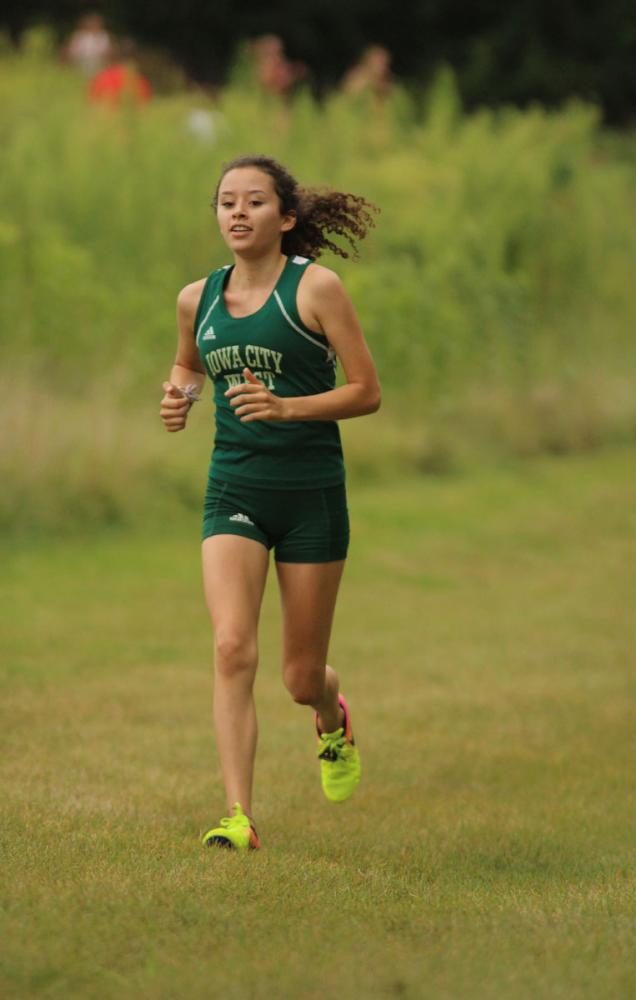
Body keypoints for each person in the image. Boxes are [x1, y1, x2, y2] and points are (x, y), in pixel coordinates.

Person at [160, 155, 381, 851]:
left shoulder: (316, 288)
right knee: (230, 647)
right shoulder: (196, 297)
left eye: (253, 202)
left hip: (311, 495)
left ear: (285, 218)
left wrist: (288, 410)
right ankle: (238, 816)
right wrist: (179, 399)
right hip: (234, 486)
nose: (236, 213)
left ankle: (330, 717)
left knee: (297, 676)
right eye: (225, 201)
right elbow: (189, 364)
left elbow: (365, 391)